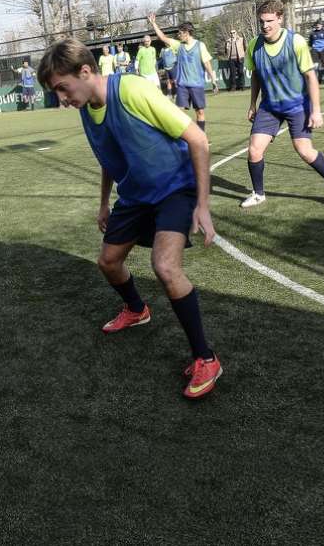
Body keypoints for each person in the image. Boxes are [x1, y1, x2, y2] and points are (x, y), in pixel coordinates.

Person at [36, 38, 222, 399]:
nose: (61, 98)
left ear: (86, 71)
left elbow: (198, 140)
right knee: (108, 262)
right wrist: (104, 202)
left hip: (174, 189)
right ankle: (137, 309)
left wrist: (203, 205)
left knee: (166, 267)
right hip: (135, 196)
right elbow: (109, 156)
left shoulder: (132, 89)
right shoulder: (86, 108)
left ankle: (206, 357)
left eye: (62, 87)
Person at [240, 0, 324, 210]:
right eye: (262, 21)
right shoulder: (254, 45)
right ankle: (258, 193)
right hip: (269, 107)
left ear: (280, 18)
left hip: (297, 105)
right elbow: (255, 77)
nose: (265, 26)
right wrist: (252, 104)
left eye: (270, 21)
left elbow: (311, 77)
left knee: (304, 150)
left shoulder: (295, 41)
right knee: (254, 151)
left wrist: (316, 110)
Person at [148, 14, 218, 134]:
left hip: (196, 85)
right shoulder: (178, 46)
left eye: (180, 33)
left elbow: (207, 64)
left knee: (200, 112)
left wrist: (213, 80)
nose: (178, 35)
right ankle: (183, 137)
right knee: (179, 112)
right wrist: (153, 23)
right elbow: (163, 38)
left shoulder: (200, 45)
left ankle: (201, 136)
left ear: (186, 33)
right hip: (182, 85)